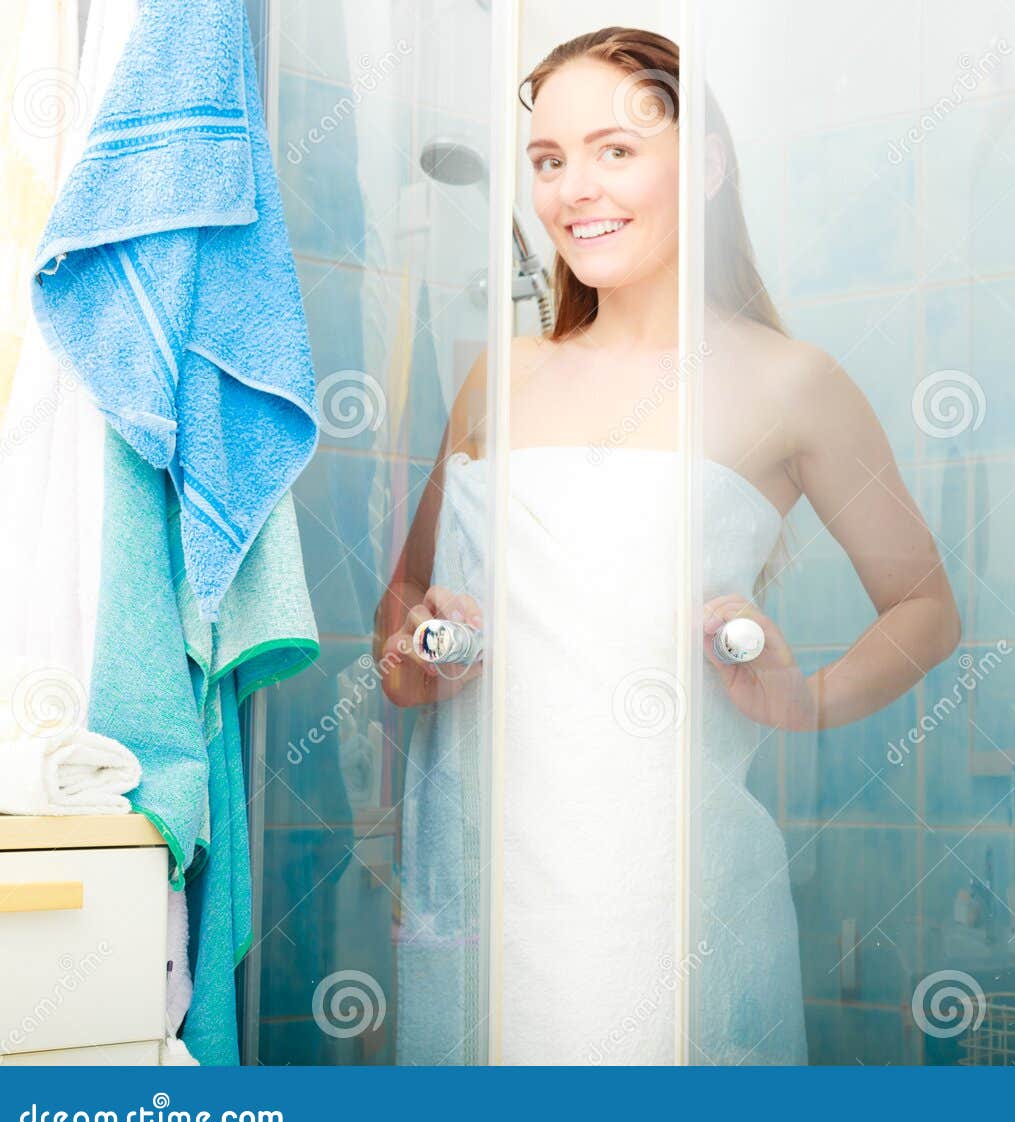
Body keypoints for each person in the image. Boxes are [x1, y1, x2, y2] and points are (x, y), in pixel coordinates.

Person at [377, 26, 960, 1064]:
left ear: (705, 164)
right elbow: (406, 605)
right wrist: (418, 657)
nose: (572, 191)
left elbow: (926, 606)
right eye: (548, 161)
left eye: (614, 149)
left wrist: (808, 699)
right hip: (484, 900)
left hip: (669, 910)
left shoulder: (789, 383)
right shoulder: (497, 377)